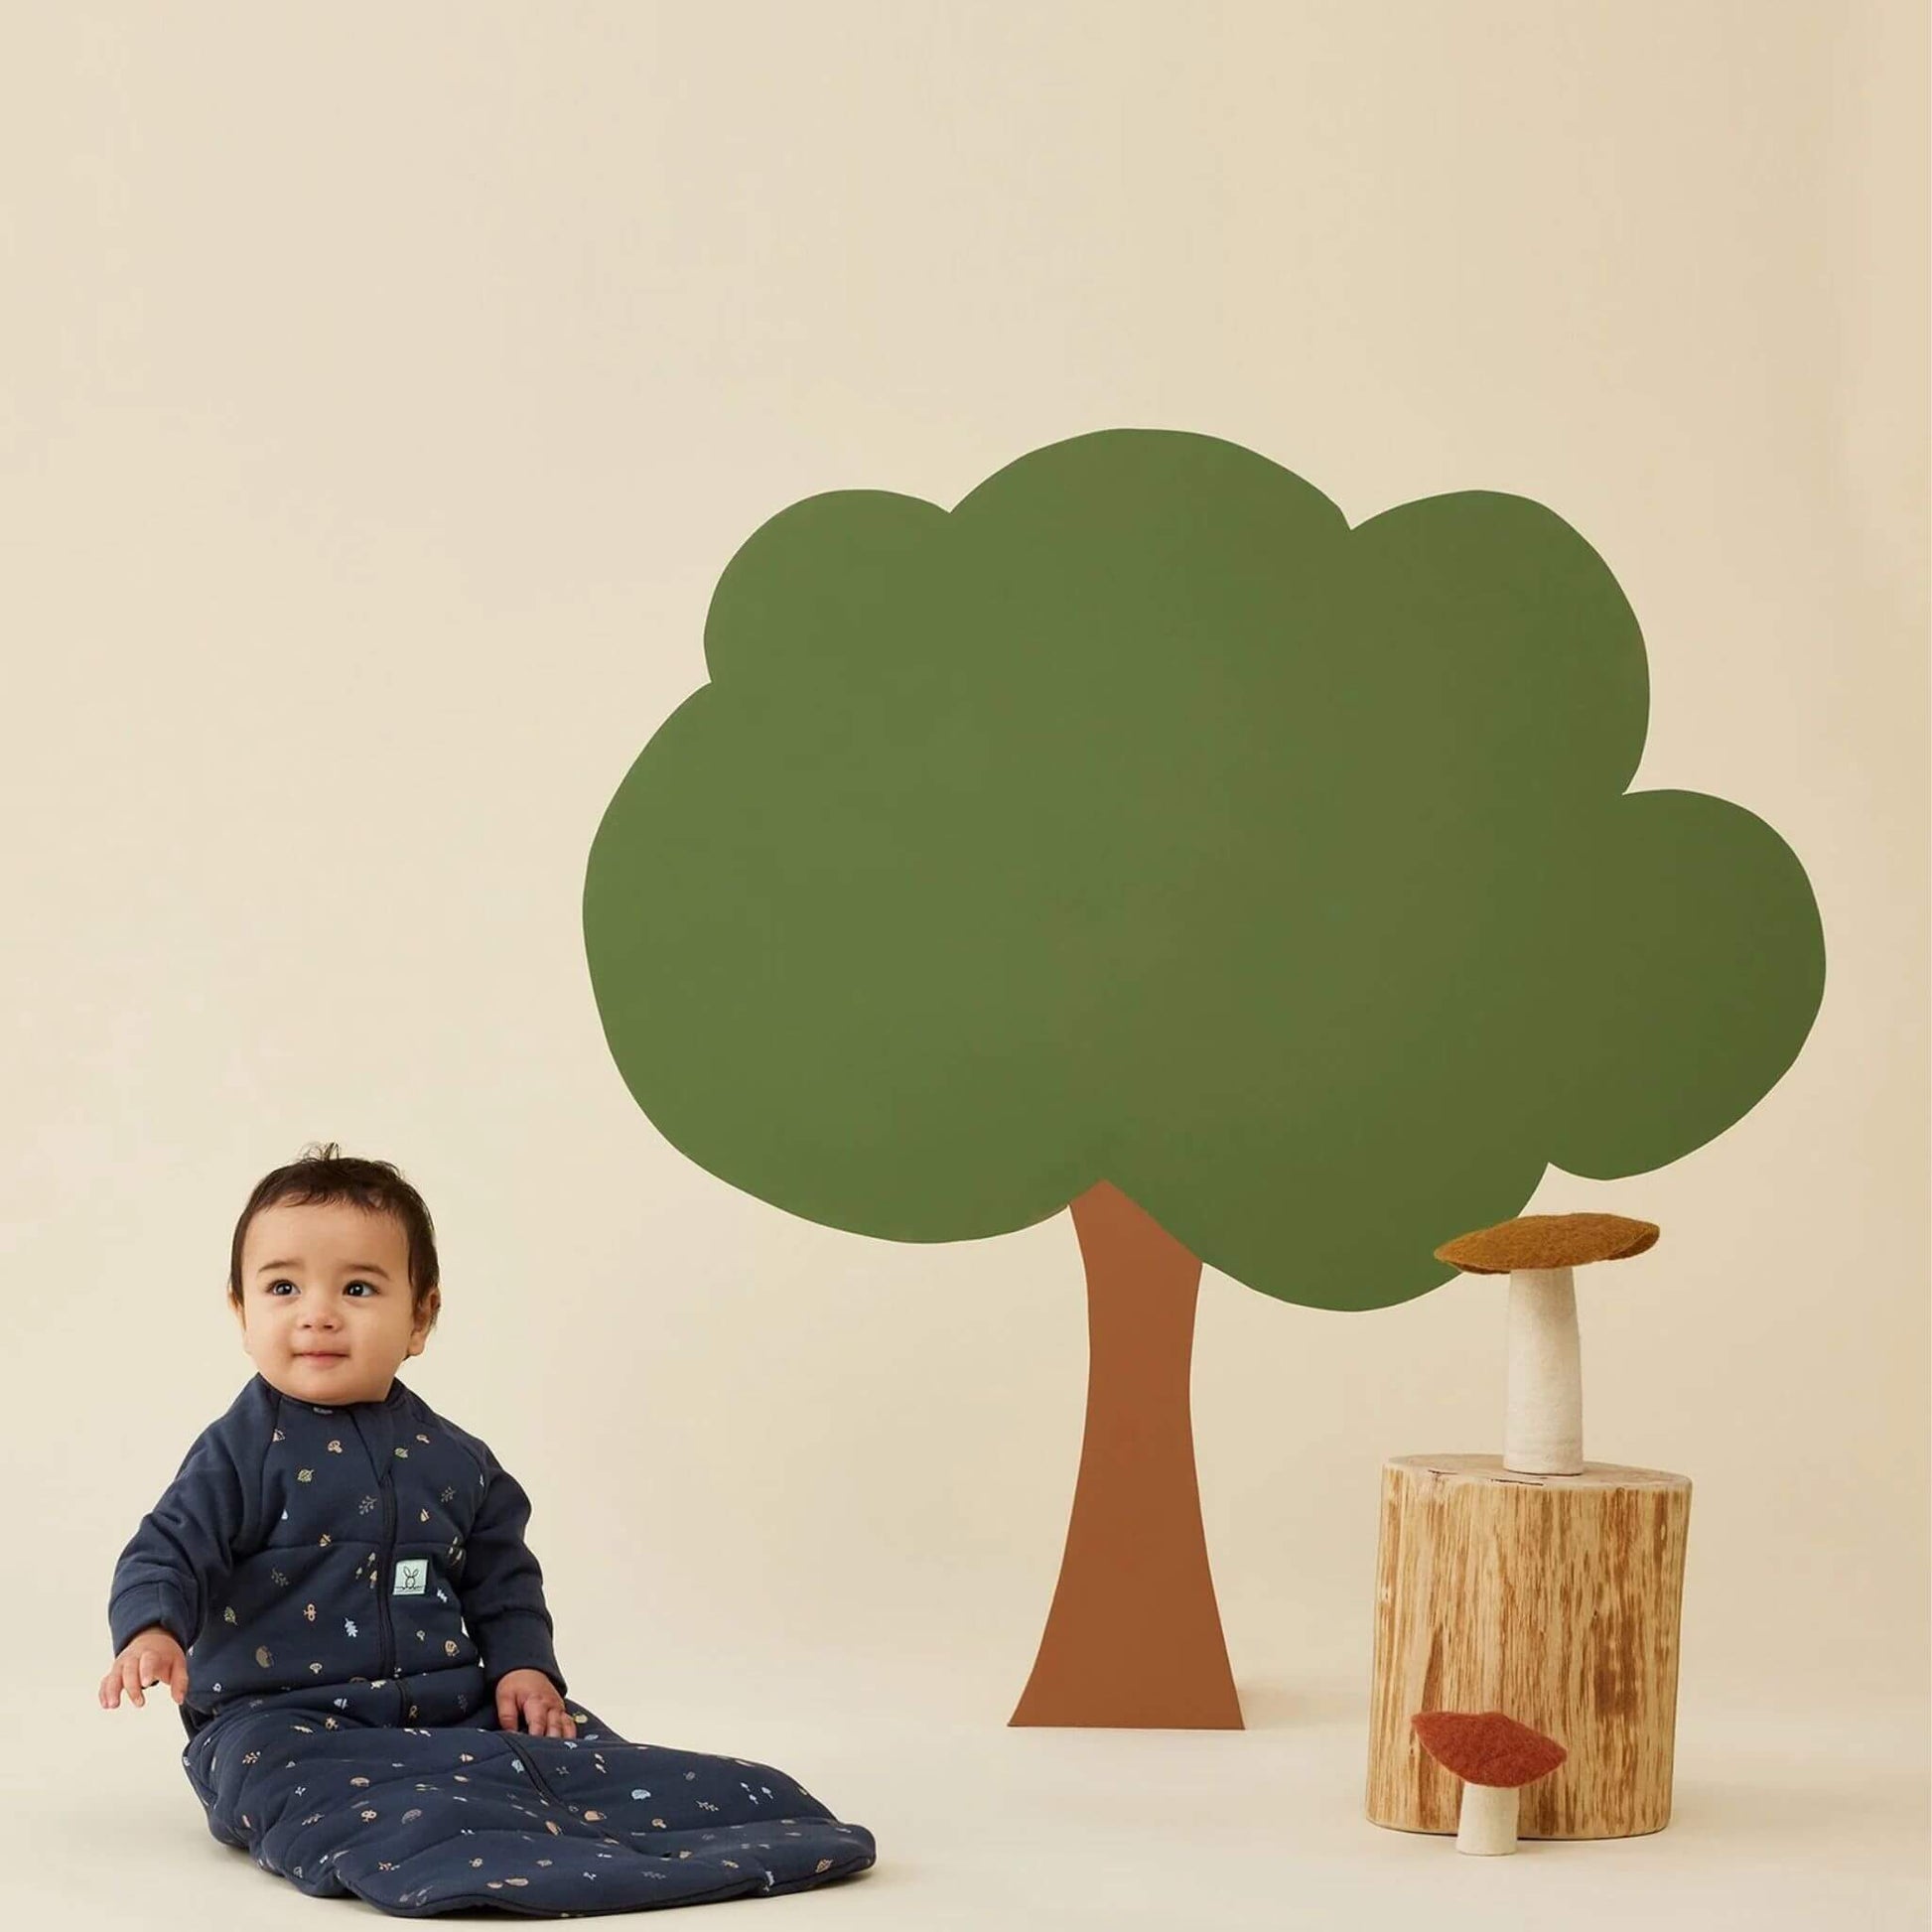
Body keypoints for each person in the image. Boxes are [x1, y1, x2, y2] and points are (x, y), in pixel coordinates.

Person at [99, 1142, 576, 1741]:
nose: (318, 1313)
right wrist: (152, 1630)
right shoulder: (238, 1455)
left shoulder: (460, 1463)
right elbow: (165, 1551)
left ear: (420, 1318)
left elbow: (504, 1583)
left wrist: (523, 1667)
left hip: (445, 1713)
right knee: (299, 1781)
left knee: (566, 1748)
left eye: (356, 1289)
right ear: (242, 1314)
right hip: (276, 1719)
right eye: (282, 1289)